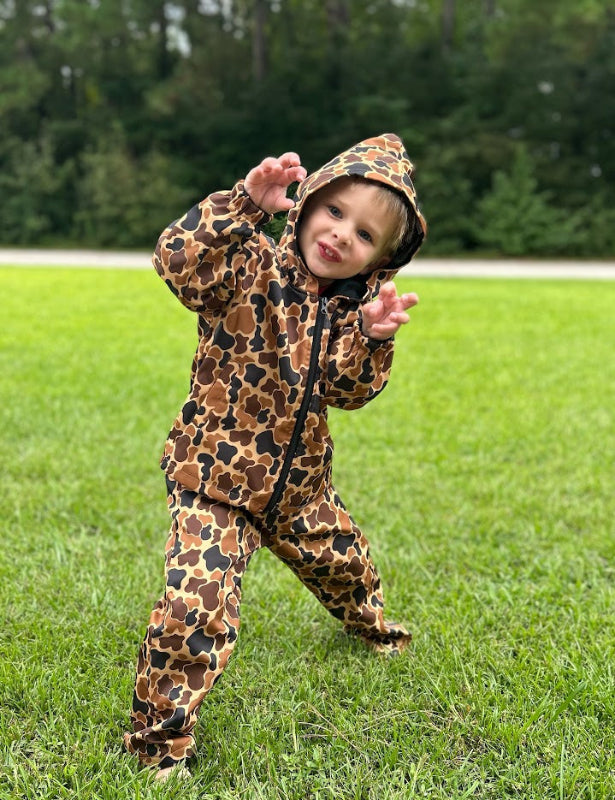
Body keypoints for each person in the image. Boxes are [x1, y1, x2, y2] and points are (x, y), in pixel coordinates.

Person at [123, 133, 427, 781]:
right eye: (335, 212)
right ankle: (158, 746)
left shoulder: (353, 309)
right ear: (306, 203)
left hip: (299, 491)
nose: (343, 235)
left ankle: (372, 627)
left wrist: (372, 339)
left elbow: (348, 392)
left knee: (346, 565)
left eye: (366, 236)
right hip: (214, 480)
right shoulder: (246, 267)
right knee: (194, 607)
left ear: (382, 259)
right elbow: (174, 260)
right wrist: (243, 205)